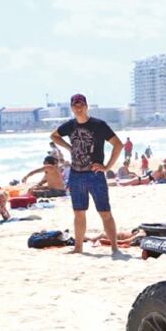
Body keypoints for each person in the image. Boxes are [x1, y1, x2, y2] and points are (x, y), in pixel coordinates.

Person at [51, 93, 124, 254]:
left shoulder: (99, 125)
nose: (78, 108)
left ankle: (114, 247)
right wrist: (69, 148)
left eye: (81, 105)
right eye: (75, 105)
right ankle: (78, 248)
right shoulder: (69, 126)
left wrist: (107, 167)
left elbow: (118, 145)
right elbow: (54, 136)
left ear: (86, 106)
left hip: (95, 175)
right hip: (76, 175)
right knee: (78, 212)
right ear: (71, 108)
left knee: (104, 212)